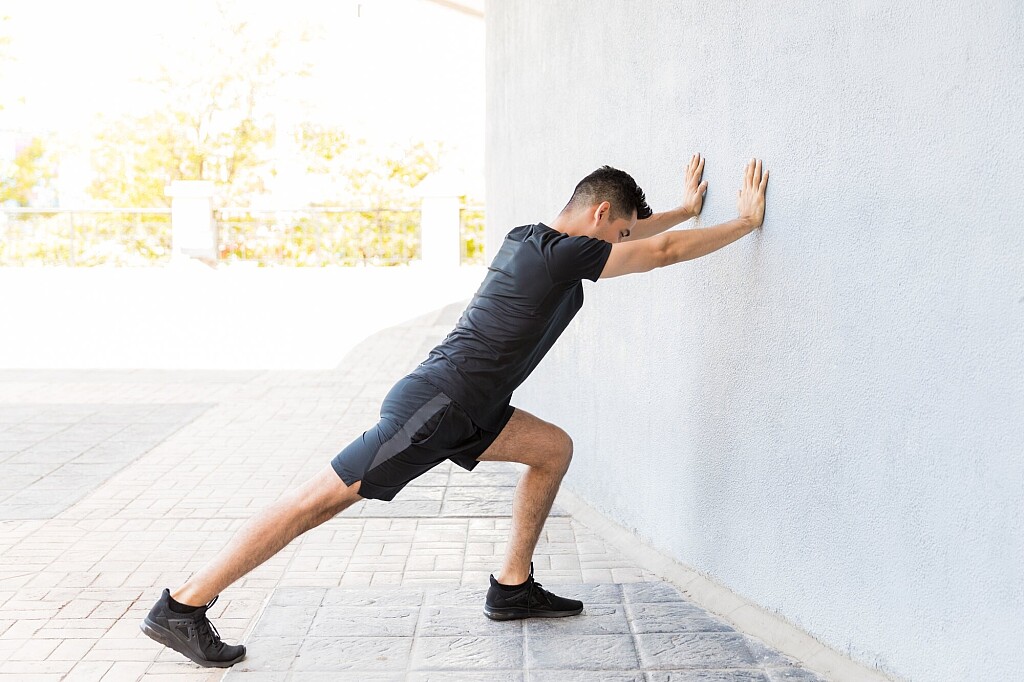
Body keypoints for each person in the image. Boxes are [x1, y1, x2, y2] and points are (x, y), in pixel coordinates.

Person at [140, 155, 770, 668]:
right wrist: (743, 222)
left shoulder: (531, 238)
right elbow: (660, 253)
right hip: (436, 406)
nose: (621, 245)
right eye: (620, 231)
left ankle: (513, 587)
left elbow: (645, 238)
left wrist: (685, 210)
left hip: (471, 408)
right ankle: (184, 606)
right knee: (317, 501)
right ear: (600, 214)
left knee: (552, 449)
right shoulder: (564, 253)